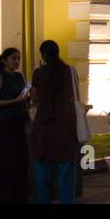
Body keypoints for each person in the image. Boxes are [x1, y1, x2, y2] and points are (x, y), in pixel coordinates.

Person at [30, 39, 78, 204]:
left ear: (43, 55)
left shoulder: (39, 73)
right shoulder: (69, 71)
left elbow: (34, 97)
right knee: (65, 171)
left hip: (44, 125)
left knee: (42, 172)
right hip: (65, 125)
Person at [0, 47, 31, 203]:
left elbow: (24, 96)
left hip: (20, 122)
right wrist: (14, 101)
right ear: (5, 60)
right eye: (14, 58)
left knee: (21, 160)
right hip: (5, 123)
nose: (17, 61)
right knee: (6, 160)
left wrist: (27, 100)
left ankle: (19, 196)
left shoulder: (19, 77)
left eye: (19, 58)